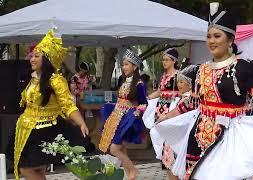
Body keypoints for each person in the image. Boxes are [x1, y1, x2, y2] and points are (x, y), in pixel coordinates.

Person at [155, 3, 253, 180]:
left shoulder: (243, 68)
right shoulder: (201, 70)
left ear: (230, 40)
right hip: (199, 136)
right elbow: (193, 101)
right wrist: (169, 115)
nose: (211, 41)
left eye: (217, 36)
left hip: (227, 137)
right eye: (209, 36)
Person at [8, 29, 89, 180]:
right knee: (38, 171)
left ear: (47, 59)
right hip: (26, 128)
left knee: (25, 169)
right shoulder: (33, 78)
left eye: (36, 56)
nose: (32, 59)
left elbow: (68, 105)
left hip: (44, 129)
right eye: (31, 56)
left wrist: (81, 122)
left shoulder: (55, 80)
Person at [99, 49, 147, 180]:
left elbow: (144, 103)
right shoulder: (125, 81)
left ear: (135, 66)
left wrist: (138, 112)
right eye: (123, 64)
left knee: (114, 148)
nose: (123, 67)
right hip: (117, 117)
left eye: (126, 64)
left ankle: (132, 171)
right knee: (122, 148)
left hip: (127, 119)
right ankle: (129, 174)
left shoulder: (139, 84)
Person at [144, 48, 180, 180]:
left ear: (174, 61)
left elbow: (183, 94)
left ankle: (175, 173)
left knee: (170, 145)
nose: (163, 62)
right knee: (160, 142)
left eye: (166, 60)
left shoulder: (179, 76)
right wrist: (147, 99)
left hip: (172, 112)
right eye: (163, 59)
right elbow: (160, 91)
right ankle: (170, 173)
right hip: (160, 111)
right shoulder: (164, 76)